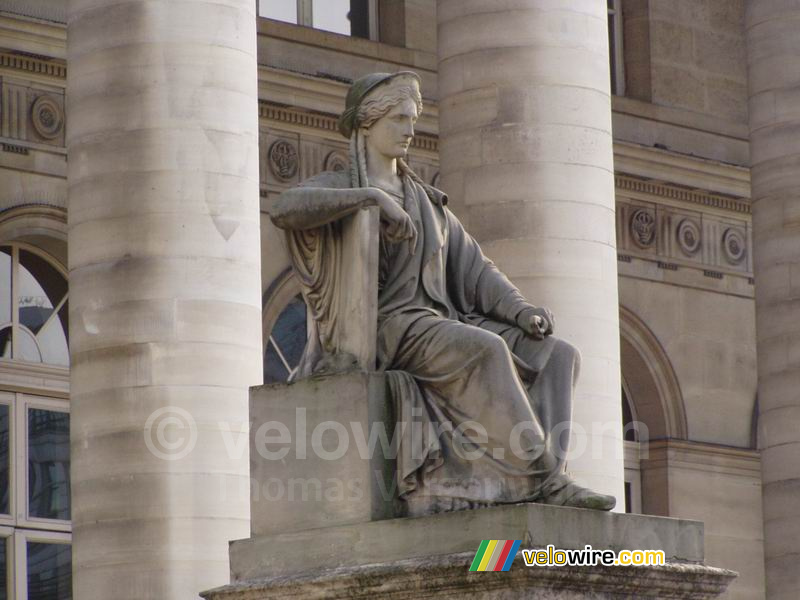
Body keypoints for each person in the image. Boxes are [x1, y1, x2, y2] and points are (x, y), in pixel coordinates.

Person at [271, 71, 615, 513]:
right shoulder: (341, 188)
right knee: (486, 349)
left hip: (439, 322)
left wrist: (520, 310)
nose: (410, 130)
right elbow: (285, 208)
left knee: (558, 354)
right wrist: (370, 199)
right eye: (398, 119)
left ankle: (541, 478)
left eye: (412, 119)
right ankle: (544, 480)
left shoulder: (428, 203)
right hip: (390, 329)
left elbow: (478, 270)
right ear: (366, 124)